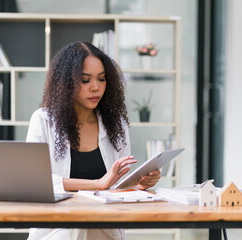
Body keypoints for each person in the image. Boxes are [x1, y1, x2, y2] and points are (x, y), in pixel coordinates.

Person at [26, 41, 161, 240]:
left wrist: (138, 185)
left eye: (102, 79)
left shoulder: (116, 125)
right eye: (85, 80)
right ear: (66, 82)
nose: (96, 87)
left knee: (91, 228)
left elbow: (118, 186)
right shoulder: (43, 120)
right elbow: (36, 182)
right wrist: (98, 184)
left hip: (102, 225)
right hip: (56, 227)